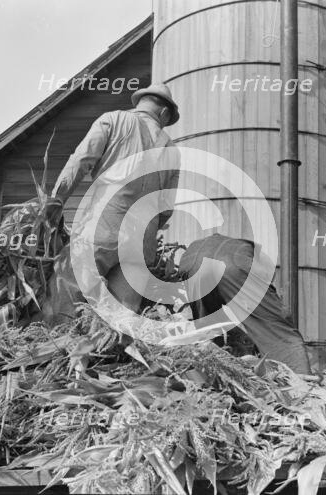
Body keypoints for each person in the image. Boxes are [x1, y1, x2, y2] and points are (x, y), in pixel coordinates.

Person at [41, 83, 180, 324]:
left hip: (102, 228)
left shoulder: (113, 120)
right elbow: (166, 209)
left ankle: (53, 344)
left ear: (140, 103)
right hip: (141, 246)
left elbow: (79, 162)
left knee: (67, 286)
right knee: (119, 321)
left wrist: (55, 202)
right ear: (164, 114)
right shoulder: (172, 151)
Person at [178, 233, 312, 374]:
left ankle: (207, 372)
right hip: (232, 263)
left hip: (191, 262)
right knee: (277, 330)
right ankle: (301, 381)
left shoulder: (241, 248)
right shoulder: (262, 262)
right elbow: (266, 312)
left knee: (207, 330)